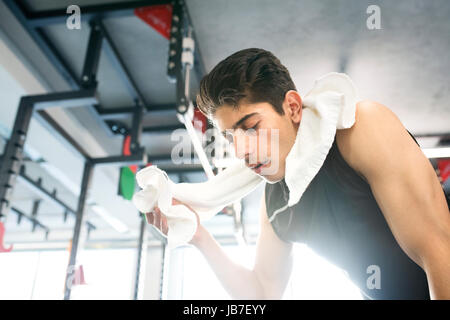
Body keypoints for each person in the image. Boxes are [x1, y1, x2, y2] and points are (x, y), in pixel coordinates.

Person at [146, 48, 450, 300]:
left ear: (292, 107)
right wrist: (199, 237)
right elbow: (263, 293)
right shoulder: (277, 201)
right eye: (229, 137)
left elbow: (437, 252)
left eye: (251, 127)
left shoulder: (360, 129)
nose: (240, 151)